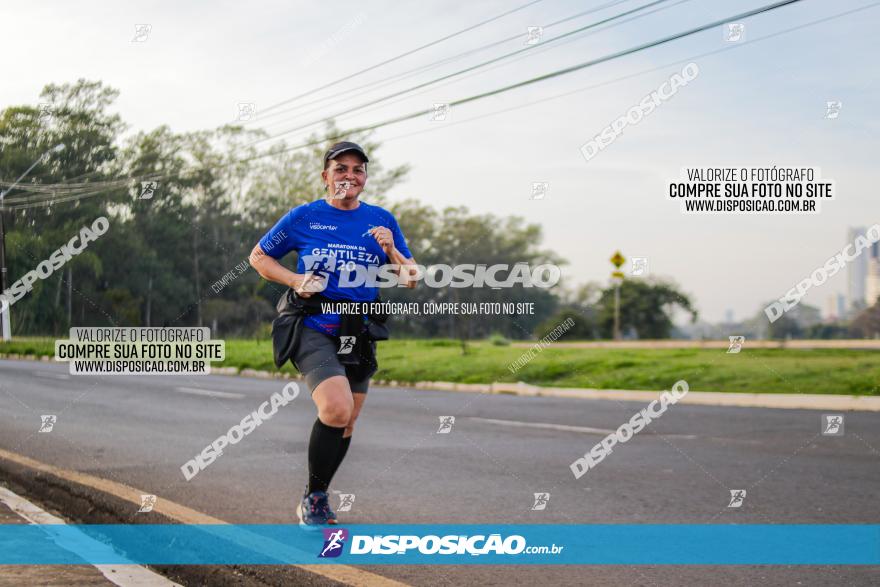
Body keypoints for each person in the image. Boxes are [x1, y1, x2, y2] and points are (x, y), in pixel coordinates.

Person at [250, 141, 417, 527]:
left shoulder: (381, 220)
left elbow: (410, 278)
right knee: (336, 408)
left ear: (365, 179)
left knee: (349, 419)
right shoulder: (304, 217)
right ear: (326, 177)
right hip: (313, 325)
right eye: (341, 169)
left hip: (359, 328)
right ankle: (315, 498)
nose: (349, 176)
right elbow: (259, 257)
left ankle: (315, 494)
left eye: (357, 170)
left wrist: (392, 251)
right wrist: (294, 279)